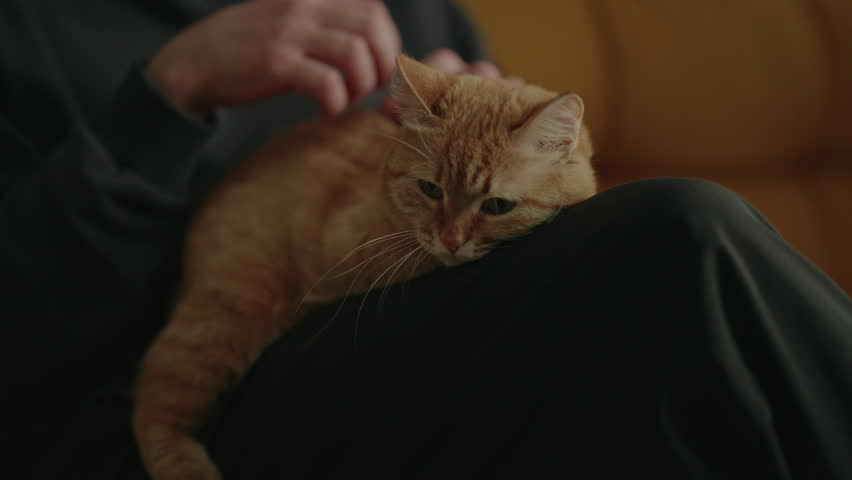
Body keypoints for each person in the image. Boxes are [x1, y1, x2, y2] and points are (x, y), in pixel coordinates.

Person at [2, 1, 850, 479]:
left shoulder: (408, 3)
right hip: (225, 378)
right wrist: (170, 90)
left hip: (447, 320)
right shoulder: (30, 28)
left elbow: (502, 119)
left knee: (676, 387)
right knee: (681, 236)